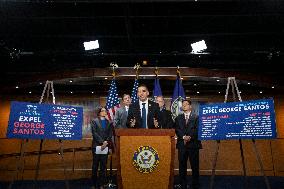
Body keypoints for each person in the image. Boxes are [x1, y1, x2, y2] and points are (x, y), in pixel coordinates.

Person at [174, 99, 202, 189]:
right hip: (182, 145)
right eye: (183, 105)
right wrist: (183, 137)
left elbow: (197, 129)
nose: (184, 106)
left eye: (186, 104)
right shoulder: (178, 118)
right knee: (182, 166)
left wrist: (190, 136)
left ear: (190, 106)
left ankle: (195, 184)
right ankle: (182, 184)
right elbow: (177, 129)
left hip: (193, 145)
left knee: (195, 165)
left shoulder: (197, 117)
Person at [91, 107, 113, 189]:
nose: (104, 112)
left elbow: (110, 134)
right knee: (95, 165)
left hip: (105, 146)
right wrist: (102, 142)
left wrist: (106, 142)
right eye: (103, 111)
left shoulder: (109, 122)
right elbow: (94, 133)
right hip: (96, 146)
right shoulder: (94, 121)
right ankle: (94, 184)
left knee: (103, 166)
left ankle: (101, 184)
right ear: (99, 112)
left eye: (105, 111)